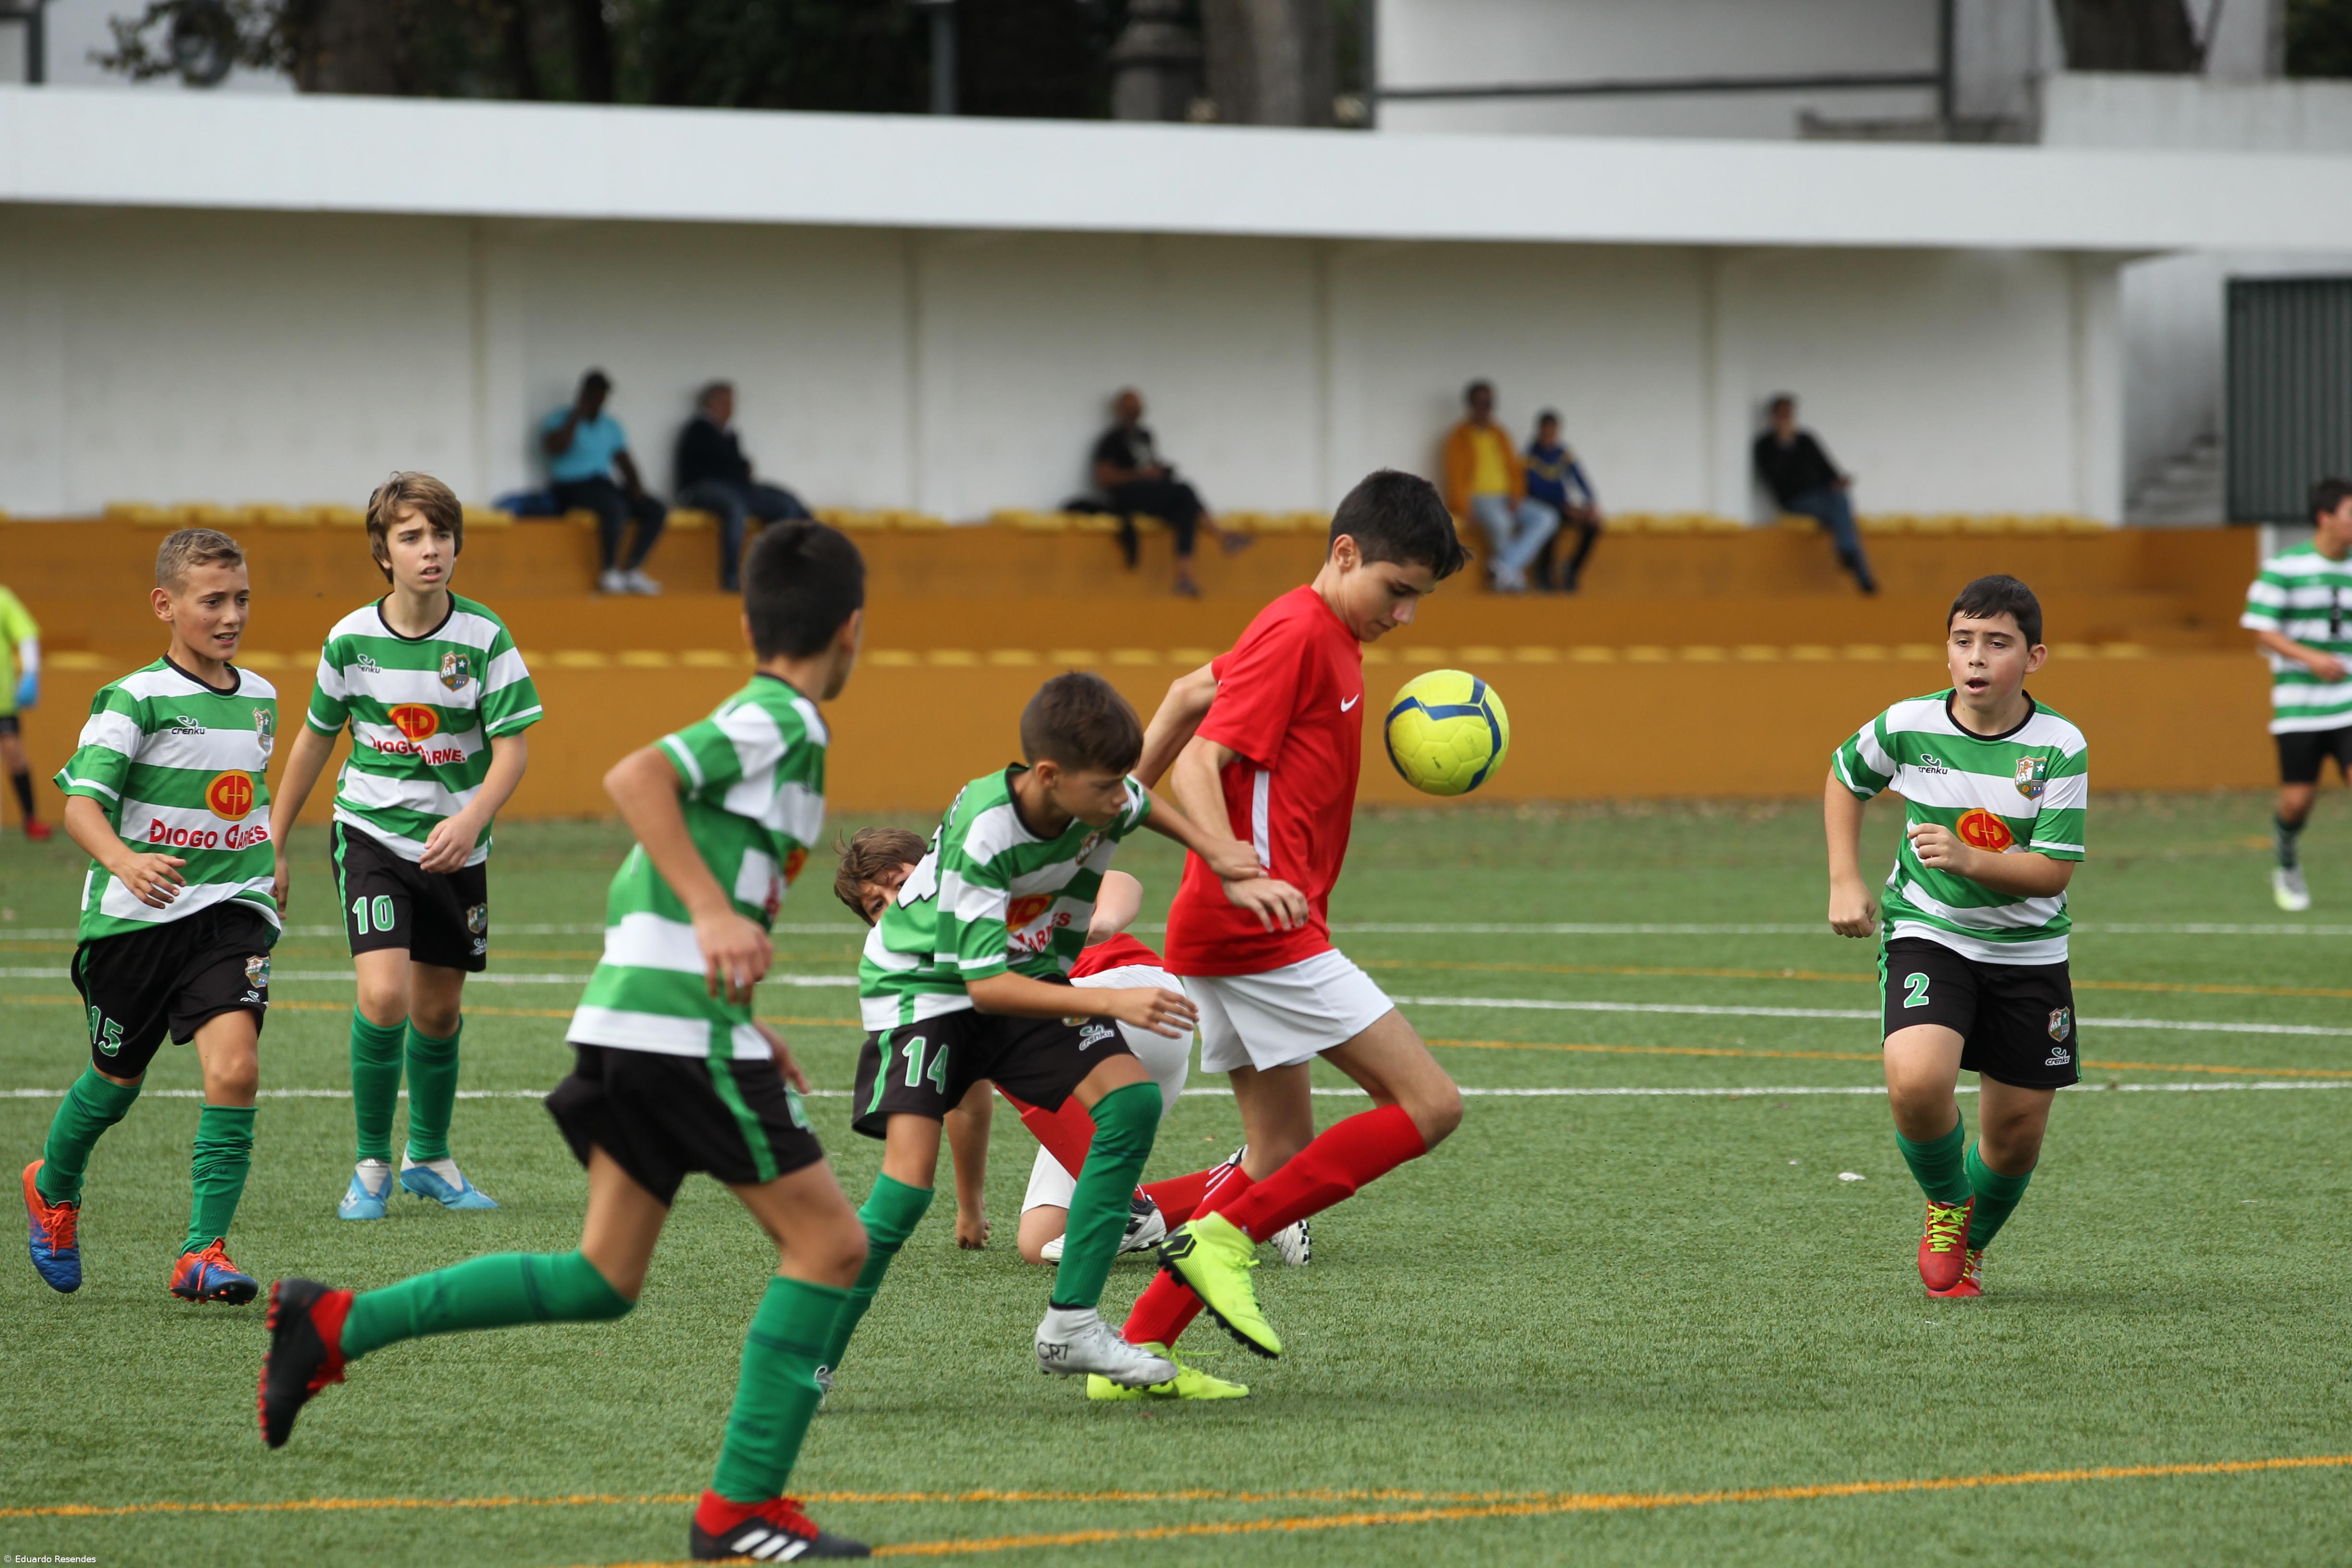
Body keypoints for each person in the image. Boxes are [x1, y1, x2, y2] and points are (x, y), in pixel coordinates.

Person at [259, 521, 877, 1563]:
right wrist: (716, 932)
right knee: (832, 1244)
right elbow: (639, 781)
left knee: (603, 1277)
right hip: (671, 1032)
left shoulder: (773, 724)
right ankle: (740, 1512)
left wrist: (741, 1011)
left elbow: (667, 880)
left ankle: (332, 1325)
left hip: (655, 1020)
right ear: (853, 631)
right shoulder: (782, 719)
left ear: (744, 619)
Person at [817, 673, 1302, 1397]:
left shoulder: (1094, 794)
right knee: (905, 1190)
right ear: (1049, 777)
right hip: (921, 993)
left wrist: (1216, 851)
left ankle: (1071, 1327)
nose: (1120, 800)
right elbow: (981, 993)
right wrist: (1116, 1003)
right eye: (1107, 788)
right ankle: (811, 1360)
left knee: (1130, 1104)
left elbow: (1144, 804)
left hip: (1017, 973)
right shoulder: (988, 833)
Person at [1117, 469, 1470, 1369]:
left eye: (1418, 601)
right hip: (1259, 926)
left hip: (1231, 927)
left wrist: (1114, 813)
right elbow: (1208, 758)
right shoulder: (1299, 629)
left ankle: (1140, 1344)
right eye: (1396, 591)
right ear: (1343, 553)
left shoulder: (1317, 631)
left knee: (1276, 1151)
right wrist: (1234, 862)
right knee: (1430, 1104)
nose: (1404, 617)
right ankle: (1223, 1239)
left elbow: (1189, 695)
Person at [269, 472, 542, 1221]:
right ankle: (370, 1165)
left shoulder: (485, 637)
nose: (431, 551)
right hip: (372, 835)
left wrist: (472, 818)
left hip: (458, 848)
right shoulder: (351, 638)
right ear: (383, 552)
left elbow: (513, 750)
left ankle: (429, 1157)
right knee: (383, 996)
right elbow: (314, 740)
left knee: (439, 1013)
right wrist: (275, 839)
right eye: (412, 537)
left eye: (441, 536)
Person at [23, 528, 279, 1304]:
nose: (231, 615)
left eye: (240, 599)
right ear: (166, 606)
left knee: (235, 1068)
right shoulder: (133, 698)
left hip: (229, 917)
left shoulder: (262, 696)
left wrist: (270, 857)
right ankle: (53, 1183)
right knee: (115, 1080)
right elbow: (80, 807)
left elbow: (242, 795)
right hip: (135, 922)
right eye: (213, 601)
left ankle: (202, 1251)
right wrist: (125, 860)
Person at [1825, 575, 2086, 1300]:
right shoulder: (1908, 723)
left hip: (2030, 953)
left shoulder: (2060, 746)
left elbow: (2053, 873)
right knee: (1916, 1080)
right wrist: (1846, 880)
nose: (1977, 658)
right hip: (1929, 931)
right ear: (1947, 651)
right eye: (1963, 641)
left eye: (1997, 644)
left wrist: (1973, 859)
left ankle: (1971, 1247)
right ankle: (1946, 1203)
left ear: (2034, 658)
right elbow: (1845, 779)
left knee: (2015, 1136)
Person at [2240, 477, 2352, 912]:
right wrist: (2311, 659)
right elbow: (2261, 631)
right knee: (2297, 801)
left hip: (2348, 700)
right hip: (2299, 707)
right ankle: (2286, 862)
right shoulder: (2285, 567)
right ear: (2325, 518)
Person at [1090, 389, 1244, 598]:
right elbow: (1104, 478)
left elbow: (1149, 467)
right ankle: (1221, 535)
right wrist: (1141, 475)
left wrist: (1159, 474)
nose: (1134, 413)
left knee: (1185, 513)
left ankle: (1184, 577)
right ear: (1119, 410)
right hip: (1127, 497)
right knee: (1185, 490)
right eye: (1129, 408)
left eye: (1137, 408)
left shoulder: (1145, 436)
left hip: (1151, 494)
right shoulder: (1112, 439)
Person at [675, 381, 814, 594]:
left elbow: (738, 469)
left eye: (732, 402)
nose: (731, 407)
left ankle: (784, 571)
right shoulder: (698, 429)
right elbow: (721, 467)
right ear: (710, 404)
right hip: (701, 489)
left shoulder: (730, 434)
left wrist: (741, 469)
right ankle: (731, 579)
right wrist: (741, 468)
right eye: (725, 402)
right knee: (735, 508)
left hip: (736, 488)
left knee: (787, 504)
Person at [543, 369, 668, 597]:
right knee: (614, 507)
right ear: (583, 393)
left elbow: (624, 460)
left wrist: (636, 485)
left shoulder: (611, 426)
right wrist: (577, 415)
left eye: (602, 394)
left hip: (602, 484)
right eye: (593, 393)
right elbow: (555, 447)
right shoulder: (560, 418)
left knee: (655, 509)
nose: (598, 399)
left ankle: (631, 569)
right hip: (570, 486)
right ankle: (609, 571)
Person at [1754, 393, 1877, 595]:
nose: (1787, 418)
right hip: (1796, 501)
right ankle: (1858, 569)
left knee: (1841, 505)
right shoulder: (1765, 446)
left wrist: (1839, 481)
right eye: (1782, 413)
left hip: (1823, 497)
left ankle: (1849, 556)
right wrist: (1785, 446)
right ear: (1774, 416)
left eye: (1789, 413)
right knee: (1842, 515)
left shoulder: (1806, 440)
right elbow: (1776, 480)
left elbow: (1827, 468)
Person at [1440, 381, 1557, 593]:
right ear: (1470, 404)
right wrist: (1463, 508)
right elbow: (1455, 475)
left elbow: (1515, 469)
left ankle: (1505, 566)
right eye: (1481, 402)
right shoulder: (1458, 437)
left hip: (1505, 497)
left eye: (1490, 402)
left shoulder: (1500, 434)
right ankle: (1510, 573)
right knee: (1501, 522)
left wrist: (1517, 495)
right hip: (1477, 498)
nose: (1486, 407)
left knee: (1547, 517)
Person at [1523, 410, 1603, 593]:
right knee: (1551, 521)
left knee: (1593, 524)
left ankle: (1571, 570)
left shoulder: (1563, 453)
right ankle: (1543, 572)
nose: (1549, 437)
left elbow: (1580, 478)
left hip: (1565, 507)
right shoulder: (1530, 456)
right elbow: (1536, 489)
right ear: (1539, 431)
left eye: (1553, 432)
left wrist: (1590, 503)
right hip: (1542, 505)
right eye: (1546, 432)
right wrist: (1568, 508)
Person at [0, 581, 52, 839]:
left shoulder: (3, 599)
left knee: (14, 754)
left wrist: (31, 673)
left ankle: (30, 818)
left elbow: (26, 635)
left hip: (2, 700)